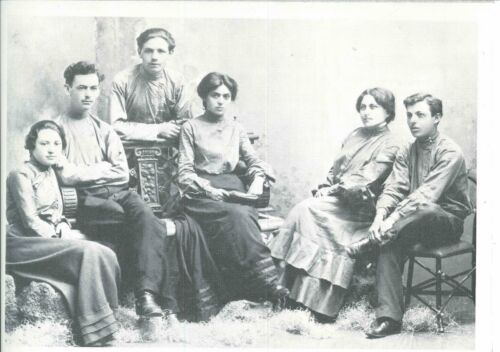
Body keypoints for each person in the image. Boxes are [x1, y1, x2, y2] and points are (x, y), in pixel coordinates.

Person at [54, 61, 180, 319]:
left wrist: (84, 170)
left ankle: (146, 297)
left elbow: (122, 173)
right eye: (81, 88)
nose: (88, 94)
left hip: (120, 192)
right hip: (87, 200)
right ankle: (156, 301)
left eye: (93, 88)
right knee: (136, 225)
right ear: (68, 89)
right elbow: (65, 176)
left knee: (150, 220)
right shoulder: (56, 129)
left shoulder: (105, 129)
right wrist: (102, 167)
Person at [268, 87, 400, 323]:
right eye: (363, 107)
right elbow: (335, 169)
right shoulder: (355, 134)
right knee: (304, 211)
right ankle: (290, 294)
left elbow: (368, 177)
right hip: (337, 201)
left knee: (306, 211)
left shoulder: (390, 143)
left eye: (373, 107)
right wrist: (324, 186)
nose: (366, 112)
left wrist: (333, 190)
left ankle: (319, 305)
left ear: (387, 111)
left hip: (361, 208)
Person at [356, 93, 472, 338]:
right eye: (409, 115)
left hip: (445, 223)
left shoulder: (450, 152)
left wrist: (389, 221)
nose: (412, 121)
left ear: (437, 118)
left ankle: (373, 242)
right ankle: (389, 319)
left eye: (420, 115)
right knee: (389, 245)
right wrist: (379, 216)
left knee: (425, 210)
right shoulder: (407, 149)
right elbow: (394, 187)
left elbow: (426, 195)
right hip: (410, 224)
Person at [6, 120, 120, 347]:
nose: (51, 149)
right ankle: (93, 330)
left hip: (48, 240)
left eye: (56, 144)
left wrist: (65, 226)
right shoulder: (20, 174)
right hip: (23, 243)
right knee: (89, 252)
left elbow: (59, 214)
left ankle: (107, 325)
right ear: (32, 146)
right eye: (45, 143)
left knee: (105, 252)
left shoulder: (52, 173)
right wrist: (60, 236)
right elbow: (30, 222)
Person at [177, 72, 289, 304]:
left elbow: (253, 160)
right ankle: (267, 282)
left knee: (244, 213)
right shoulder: (191, 127)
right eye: (215, 95)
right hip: (201, 192)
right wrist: (208, 189)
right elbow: (184, 172)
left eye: (226, 96)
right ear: (204, 98)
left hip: (233, 187)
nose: (220, 100)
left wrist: (258, 178)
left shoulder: (236, 128)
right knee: (236, 214)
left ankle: (264, 284)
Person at [109, 27, 192, 142]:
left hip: (169, 152)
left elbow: (186, 124)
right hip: (129, 150)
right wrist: (158, 129)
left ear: (170, 53)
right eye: (148, 51)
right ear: (139, 52)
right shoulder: (122, 80)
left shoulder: (177, 81)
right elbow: (116, 126)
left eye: (161, 51)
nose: (154, 57)